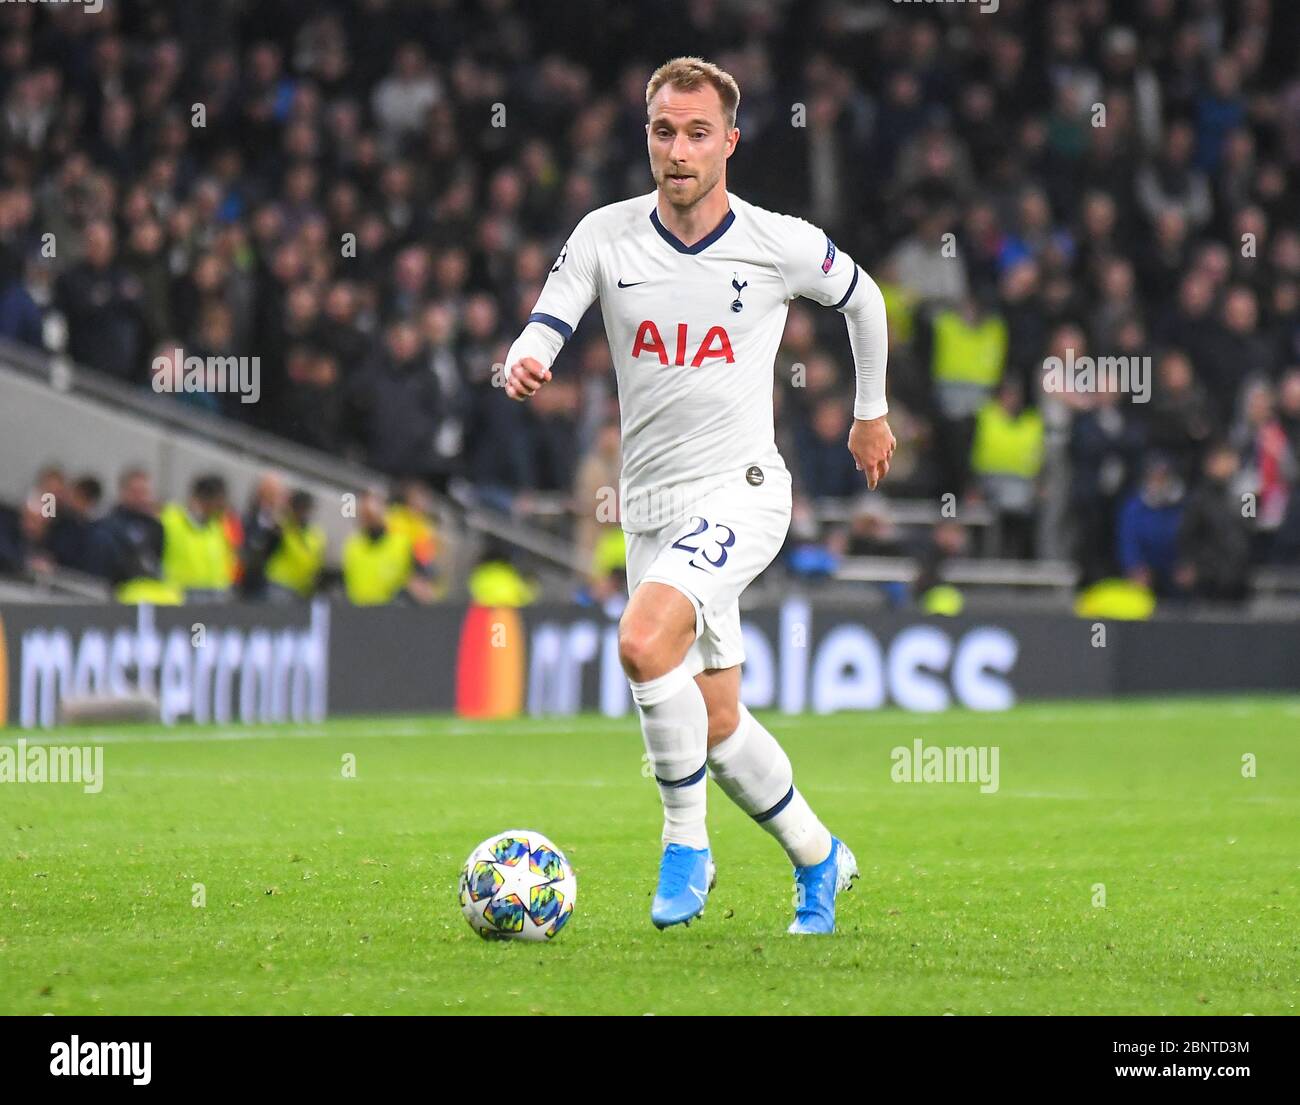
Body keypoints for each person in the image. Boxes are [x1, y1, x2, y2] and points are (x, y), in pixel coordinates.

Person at [503, 57, 894, 935]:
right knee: (717, 725)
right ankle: (820, 855)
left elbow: (864, 299)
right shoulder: (605, 235)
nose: (678, 150)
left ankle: (687, 843)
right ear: (648, 136)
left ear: (730, 143)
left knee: (642, 643)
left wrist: (869, 413)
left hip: (745, 489)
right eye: (663, 131)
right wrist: (528, 354)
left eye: (696, 133)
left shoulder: (775, 240)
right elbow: (551, 310)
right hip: (650, 506)